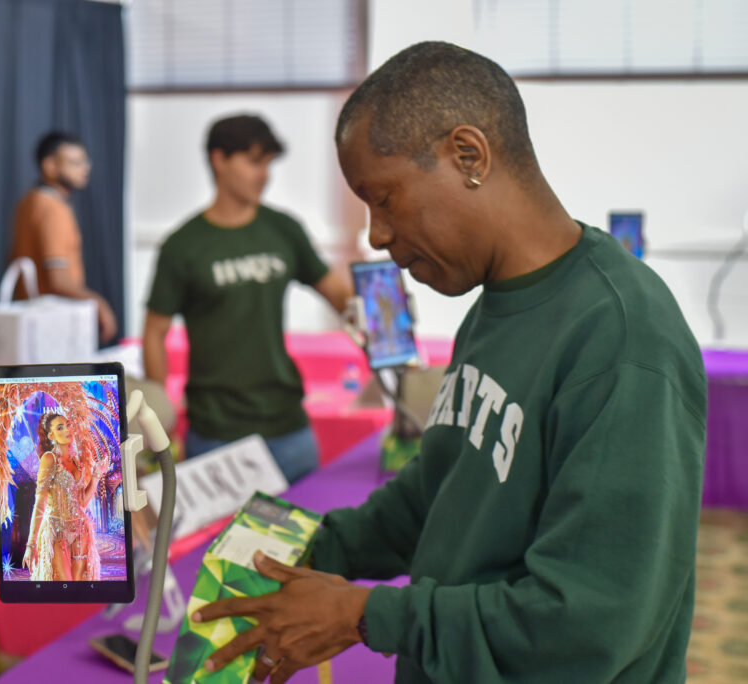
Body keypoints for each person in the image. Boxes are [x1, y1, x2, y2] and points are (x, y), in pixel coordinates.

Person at [190, 42, 707, 684]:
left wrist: (364, 614)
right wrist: (314, 547)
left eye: (382, 198)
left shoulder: (623, 336)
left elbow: (587, 625)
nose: (375, 234)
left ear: (469, 155)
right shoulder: (492, 309)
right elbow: (441, 492)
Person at [142, 114, 353, 483]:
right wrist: (163, 422)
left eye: (269, 163)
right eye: (255, 161)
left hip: (288, 426)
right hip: (215, 433)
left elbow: (337, 293)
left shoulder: (283, 229)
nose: (265, 174)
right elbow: (154, 333)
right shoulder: (183, 245)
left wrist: (381, 307)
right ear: (219, 160)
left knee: (308, 538)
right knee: (217, 542)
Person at [8, 130, 118, 343]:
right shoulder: (53, 208)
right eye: (75, 163)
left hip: (30, 323)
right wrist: (100, 304)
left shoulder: (28, 201)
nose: (85, 169)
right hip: (52, 326)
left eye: (85, 162)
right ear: (49, 165)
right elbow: (59, 279)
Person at [22, 411, 103, 582]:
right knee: (64, 583)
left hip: (81, 530)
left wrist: (96, 477)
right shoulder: (49, 459)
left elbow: (81, 502)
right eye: (60, 428)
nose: (67, 430)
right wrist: (31, 544)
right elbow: (40, 501)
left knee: (81, 584)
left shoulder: (76, 461)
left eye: (68, 425)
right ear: (51, 435)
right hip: (57, 531)